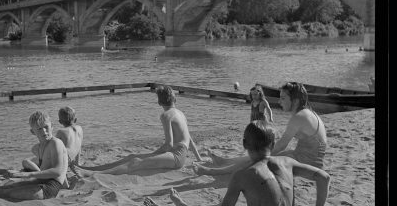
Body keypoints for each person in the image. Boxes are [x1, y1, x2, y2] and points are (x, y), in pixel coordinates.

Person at [167, 121, 330, 206]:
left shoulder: (242, 175)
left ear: (245, 145)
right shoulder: (287, 162)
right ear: (273, 145)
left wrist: (182, 204)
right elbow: (324, 177)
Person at [193, 82, 327, 175]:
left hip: (307, 163)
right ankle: (225, 162)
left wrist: (261, 155)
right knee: (260, 154)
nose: (279, 101)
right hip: (308, 159)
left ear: (296, 100)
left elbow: (281, 146)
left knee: (259, 157)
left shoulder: (299, 117)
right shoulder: (308, 113)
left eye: (283, 98)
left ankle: (214, 171)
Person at [75, 85, 203, 175]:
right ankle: (91, 169)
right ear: (175, 99)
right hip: (179, 155)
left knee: (136, 162)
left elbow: (169, 144)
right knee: (132, 156)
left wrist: (153, 154)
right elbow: (189, 139)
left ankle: (93, 174)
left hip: (176, 157)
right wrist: (199, 158)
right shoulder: (180, 113)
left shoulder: (166, 115)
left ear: (159, 103)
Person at [54, 106, 83, 172]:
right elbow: (79, 146)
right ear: (75, 120)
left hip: (65, 161)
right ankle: (77, 163)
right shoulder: (80, 128)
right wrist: (77, 163)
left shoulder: (61, 132)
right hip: (72, 158)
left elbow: (52, 147)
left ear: (60, 122)